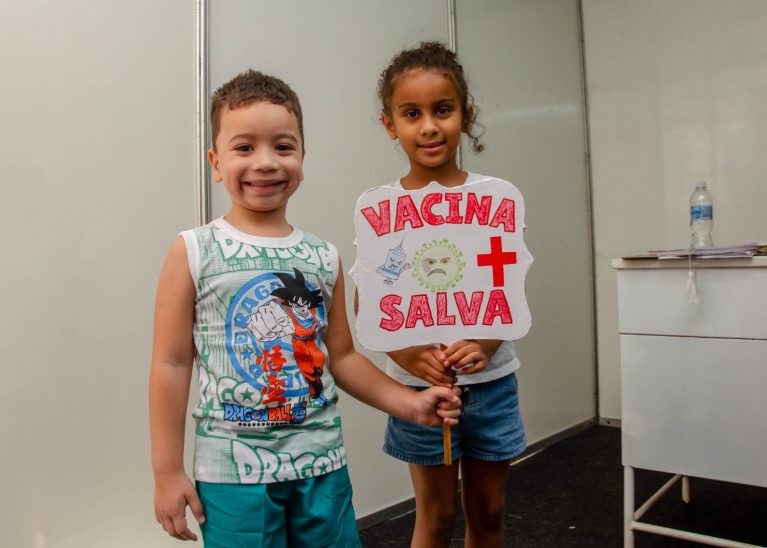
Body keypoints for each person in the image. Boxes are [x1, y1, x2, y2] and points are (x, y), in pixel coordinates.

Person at [148, 69, 461, 548]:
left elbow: (343, 357)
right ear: (216, 162)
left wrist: (410, 405)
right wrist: (166, 471)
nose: (265, 162)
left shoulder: (322, 256)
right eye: (244, 147)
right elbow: (171, 364)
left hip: (322, 467)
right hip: (233, 476)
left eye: (283, 146)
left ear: (302, 158)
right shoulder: (193, 250)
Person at [371, 42, 527, 547]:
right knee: (435, 518)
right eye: (411, 114)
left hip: (492, 385)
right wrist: (408, 355)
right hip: (420, 389)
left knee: (489, 512)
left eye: (443, 110)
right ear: (390, 124)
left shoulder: (494, 200)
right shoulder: (382, 211)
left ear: (466, 114)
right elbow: (370, 299)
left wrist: (487, 343)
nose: (429, 127)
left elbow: (508, 286)